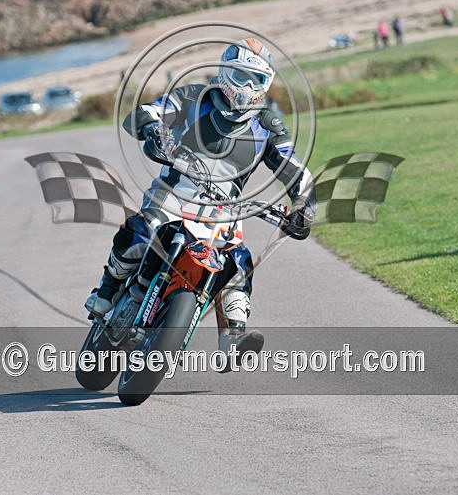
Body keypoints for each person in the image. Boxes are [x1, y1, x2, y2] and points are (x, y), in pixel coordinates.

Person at [85, 38, 317, 357]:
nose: (248, 87)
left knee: (238, 260)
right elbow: (145, 113)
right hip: (173, 194)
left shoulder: (267, 124)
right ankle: (107, 290)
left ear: (267, 84)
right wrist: (155, 130)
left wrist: (304, 205)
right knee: (142, 230)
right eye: (241, 76)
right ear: (224, 72)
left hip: (223, 211)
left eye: (257, 79)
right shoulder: (193, 97)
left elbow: (293, 167)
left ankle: (233, 338)